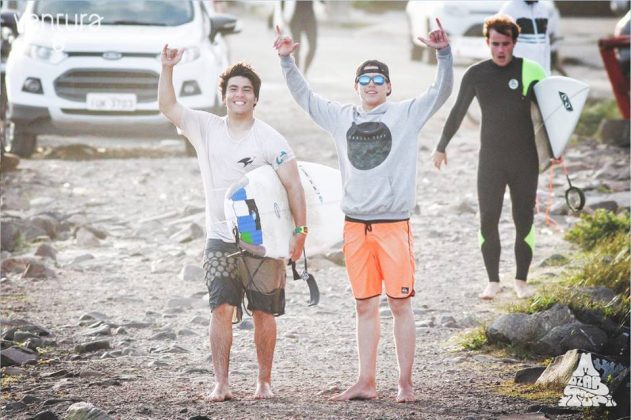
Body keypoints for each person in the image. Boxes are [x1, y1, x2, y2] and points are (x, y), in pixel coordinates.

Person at [274, 20, 453, 402]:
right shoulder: (342, 118)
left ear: (388, 87)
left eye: (378, 79)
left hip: (393, 227)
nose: (371, 84)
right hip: (355, 227)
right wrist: (287, 60)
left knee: (401, 304)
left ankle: (405, 383)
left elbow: (441, 92)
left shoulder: (405, 115)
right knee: (364, 306)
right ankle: (366, 382)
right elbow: (305, 98)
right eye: (365, 79)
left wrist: (443, 53)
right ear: (356, 87)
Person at [158, 46, 307, 401]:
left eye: (246, 90)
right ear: (223, 96)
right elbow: (168, 107)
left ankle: (263, 382)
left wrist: (300, 231)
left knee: (262, 312)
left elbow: (294, 185)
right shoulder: (205, 127)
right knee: (220, 308)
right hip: (220, 236)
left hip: (262, 238)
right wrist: (167, 68)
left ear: (255, 98)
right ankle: (221, 384)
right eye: (233, 90)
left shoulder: (271, 139)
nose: (239, 95)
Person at [432, 15, 547, 300]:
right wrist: (441, 145)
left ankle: (521, 280)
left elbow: (549, 115)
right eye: (495, 43)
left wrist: (555, 151)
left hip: (525, 160)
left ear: (514, 43)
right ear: (487, 42)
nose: (500, 50)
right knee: (488, 219)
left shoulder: (531, 71)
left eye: (505, 44)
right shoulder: (476, 74)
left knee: (524, 219)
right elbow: (458, 110)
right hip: (491, 160)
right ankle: (493, 281)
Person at [499, 0, 559, 75]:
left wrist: (547, 72)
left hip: (540, 71)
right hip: (519, 72)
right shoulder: (509, 9)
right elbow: (501, 43)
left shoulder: (543, 9)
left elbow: (545, 42)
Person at [273, 0, 320, 75]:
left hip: (310, 18)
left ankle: (305, 71)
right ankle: (298, 74)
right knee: (297, 48)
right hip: (296, 18)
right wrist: (283, 15)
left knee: (313, 47)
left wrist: (325, 5)